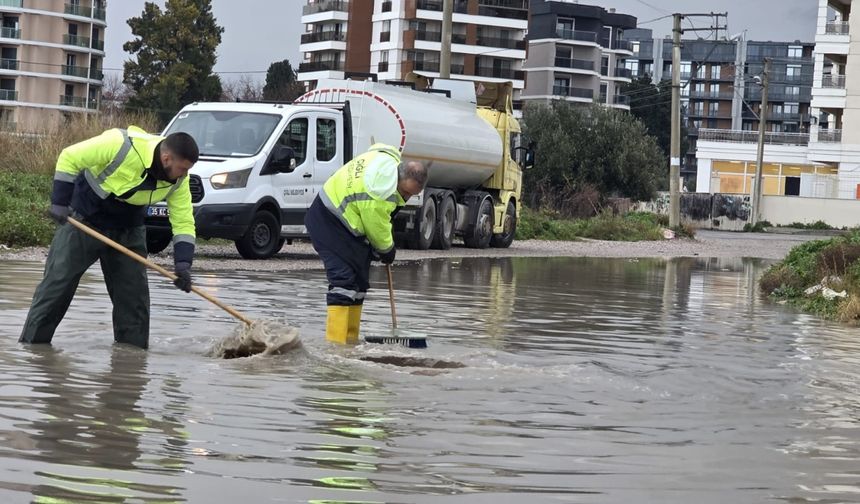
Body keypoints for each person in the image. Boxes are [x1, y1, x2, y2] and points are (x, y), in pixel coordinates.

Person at [19, 126, 200, 350]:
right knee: (57, 286)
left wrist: (183, 264)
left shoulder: (180, 180)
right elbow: (69, 157)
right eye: (182, 168)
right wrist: (59, 201)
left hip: (129, 227)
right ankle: (32, 350)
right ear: (166, 158)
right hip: (85, 219)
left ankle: (132, 359)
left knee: (133, 299)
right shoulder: (120, 144)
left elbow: (183, 221)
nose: (184, 174)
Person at [305, 143, 428, 344]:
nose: (406, 198)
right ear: (400, 176)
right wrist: (388, 251)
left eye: (411, 196)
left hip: (350, 221)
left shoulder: (388, 162)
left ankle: (351, 342)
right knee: (344, 281)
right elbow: (377, 231)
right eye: (405, 192)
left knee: (360, 282)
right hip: (328, 220)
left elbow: (378, 224)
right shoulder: (379, 193)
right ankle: (336, 347)